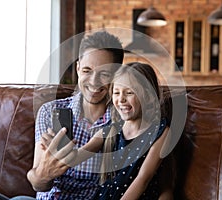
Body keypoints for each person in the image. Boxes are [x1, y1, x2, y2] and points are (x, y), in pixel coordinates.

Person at [0, 30, 124, 200]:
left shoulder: (121, 119)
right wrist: (44, 173)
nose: (93, 81)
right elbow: (38, 183)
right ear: (77, 69)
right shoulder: (50, 111)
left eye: (104, 74)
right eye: (87, 71)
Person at [42, 62, 172, 199]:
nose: (121, 99)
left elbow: (143, 178)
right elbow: (79, 155)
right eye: (116, 93)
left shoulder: (160, 132)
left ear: (149, 96)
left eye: (129, 93)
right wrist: (56, 151)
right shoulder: (112, 130)